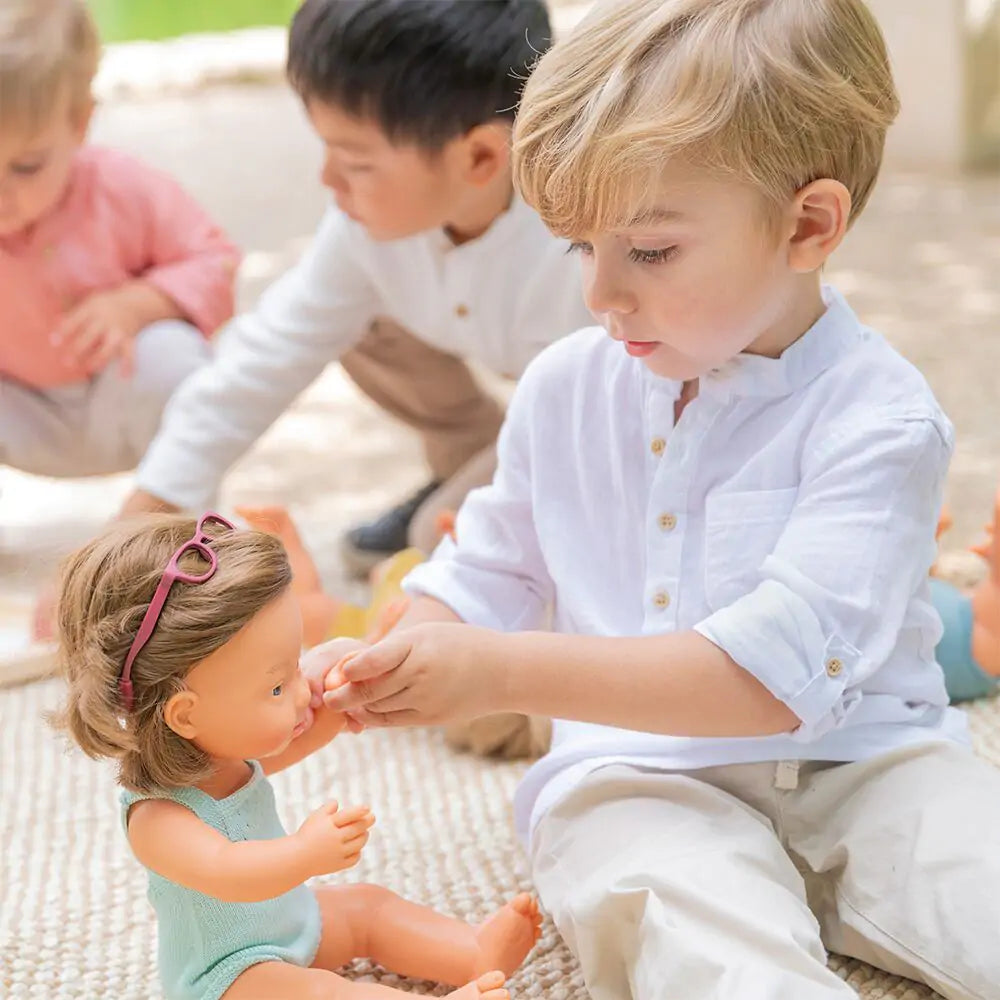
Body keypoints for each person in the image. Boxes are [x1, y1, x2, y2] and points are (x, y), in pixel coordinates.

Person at [315, 1, 1000, 997]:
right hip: (630, 774)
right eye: (577, 248)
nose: (601, 295)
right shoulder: (564, 387)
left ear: (808, 225)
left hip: (869, 759)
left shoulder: (881, 419)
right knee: (693, 932)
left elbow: (766, 679)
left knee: (976, 885)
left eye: (648, 252)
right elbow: (487, 570)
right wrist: (406, 651)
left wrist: (498, 669)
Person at [112, 0, 591, 578]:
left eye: (355, 162)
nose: (327, 179)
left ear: (481, 156)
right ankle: (468, 459)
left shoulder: (587, 243)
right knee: (353, 315)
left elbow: (619, 424)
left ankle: (477, 479)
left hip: (594, 422)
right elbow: (269, 352)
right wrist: (151, 503)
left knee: (441, 543)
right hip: (535, 388)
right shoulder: (369, 230)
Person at [52, 512, 540, 1000]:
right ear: (185, 715)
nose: (301, 692)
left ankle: (472, 951)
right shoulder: (157, 818)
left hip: (292, 921)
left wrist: (347, 687)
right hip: (230, 975)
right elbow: (229, 872)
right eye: (278, 685)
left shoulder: (226, 754)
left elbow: (300, 736)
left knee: (368, 908)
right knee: (323, 992)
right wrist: (306, 852)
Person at [0, 0, 239, 480]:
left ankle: (184, 526)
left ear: (79, 122)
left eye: (25, 167)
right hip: (21, 412)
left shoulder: (121, 188)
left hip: (124, 399)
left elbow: (215, 260)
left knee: (173, 355)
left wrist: (136, 306)